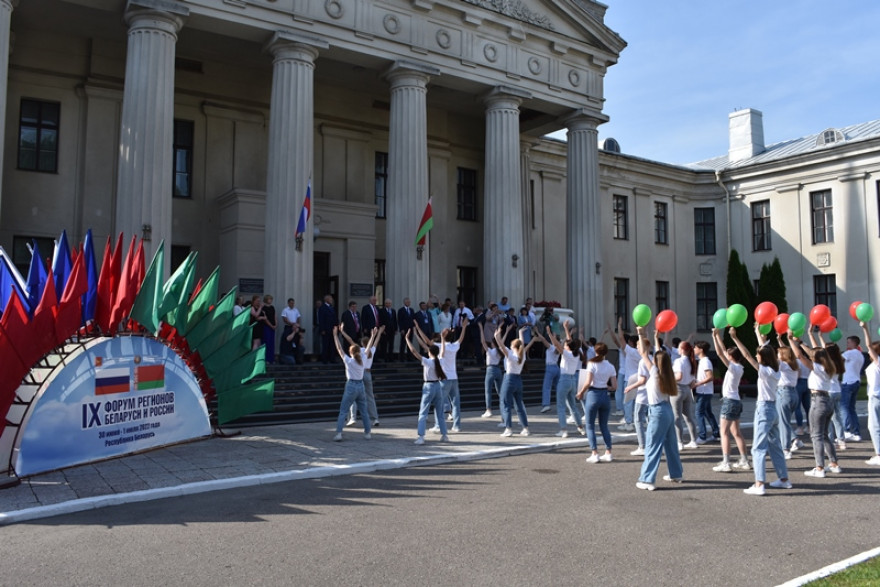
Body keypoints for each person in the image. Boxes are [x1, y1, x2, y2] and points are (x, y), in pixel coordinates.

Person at [730, 324, 791, 496]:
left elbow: (747, 355)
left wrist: (735, 337)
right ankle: (784, 479)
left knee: (758, 448)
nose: (756, 356)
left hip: (764, 409)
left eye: (759, 355)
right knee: (775, 445)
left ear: (762, 358)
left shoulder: (764, 371)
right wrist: (757, 333)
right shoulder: (775, 369)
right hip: (772, 409)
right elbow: (764, 351)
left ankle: (759, 484)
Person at [634, 326, 683, 491]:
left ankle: (647, 480)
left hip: (657, 412)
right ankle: (676, 474)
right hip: (667, 410)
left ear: (656, 362)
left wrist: (641, 334)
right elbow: (657, 353)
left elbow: (643, 353)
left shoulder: (655, 372)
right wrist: (654, 337)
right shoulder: (667, 374)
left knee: (652, 446)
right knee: (671, 445)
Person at [788, 329, 842, 478]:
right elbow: (812, 353)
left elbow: (800, 355)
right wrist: (801, 342)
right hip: (827, 400)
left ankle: (819, 468)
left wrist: (791, 341)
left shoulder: (817, 368)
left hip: (818, 401)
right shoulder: (829, 366)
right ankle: (834, 463)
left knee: (816, 436)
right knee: (824, 435)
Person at [710, 327, 750, 472]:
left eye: (729, 354)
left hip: (729, 402)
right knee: (736, 432)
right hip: (736, 401)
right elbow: (724, 351)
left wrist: (715, 337)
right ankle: (744, 460)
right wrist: (717, 336)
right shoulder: (739, 367)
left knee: (724, 432)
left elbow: (720, 353)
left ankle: (726, 462)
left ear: (731, 356)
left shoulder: (733, 368)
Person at [404, 329, 449, 445]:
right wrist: (443, 338)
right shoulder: (440, 361)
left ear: (430, 352)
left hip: (428, 386)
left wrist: (407, 339)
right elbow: (443, 352)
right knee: (439, 412)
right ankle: (444, 435)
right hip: (438, 386)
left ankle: (421, 437)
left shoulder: (428, 362)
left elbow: (414, 351)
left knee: (423, 413)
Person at [576, 337, 618, 464]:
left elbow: (588, 382)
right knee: (604, 425)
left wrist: (580, 392)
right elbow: (615, 387)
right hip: (605, 395)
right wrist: (607, 386)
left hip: (593, 394)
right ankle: (608, 452)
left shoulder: (592, 363)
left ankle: (594, 453)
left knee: (590, 425)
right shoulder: (610, 366)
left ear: (596, 351)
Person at [494, 324, 539, 437]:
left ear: (513, 346)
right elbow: (522, 344)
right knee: (519, 404)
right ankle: (525, 428)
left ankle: (508, 428)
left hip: (509, 379)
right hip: (518, 379)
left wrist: (497, 337)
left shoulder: (511, 355)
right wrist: (520, 333)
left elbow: (501, 347)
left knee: (506, 404)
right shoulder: (521, 355)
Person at [330, 326, 372, 442]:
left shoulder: (349, 361)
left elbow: (339, 349)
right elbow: (368, 348)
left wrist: (335, 335)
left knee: (343, 410)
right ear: (359, 351)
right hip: (361, 385)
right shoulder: (363, 359)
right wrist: (372, 336)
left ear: (351, 352)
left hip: (351, 385)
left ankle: (339, 433)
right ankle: (368, 432)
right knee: (364, 411)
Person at [544, 326, 585, 438]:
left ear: (568, 347)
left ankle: (563, 429)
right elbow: (567, 343)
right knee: (573, 405)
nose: (563, 345)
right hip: (572, 380)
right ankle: (580, 427)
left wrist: (549, 334)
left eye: (565, 345)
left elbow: (556, 344)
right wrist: (567, 330)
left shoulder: (567, 354)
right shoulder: (577, 354)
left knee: (561, 405)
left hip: (565, 379)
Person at [340, 326, 384, 429]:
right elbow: (376, 341)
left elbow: (350, 340)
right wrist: (379, 333)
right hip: (368, 373)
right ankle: (375, 418)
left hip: (359, 374)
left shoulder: (360, 350)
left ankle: (353, 418)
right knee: (370, 396)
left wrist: (342, 332)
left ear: (362, 344)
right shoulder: (371, 350)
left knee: (354, 396)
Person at [858, 320, 880, 466]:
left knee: (874, 426)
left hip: (876, 396)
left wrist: (865, 328)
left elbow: (867, 345)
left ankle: (878, 454)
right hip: (875, 396)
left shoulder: (878, 361)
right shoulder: (875, 363)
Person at [671, 340, 699, 449]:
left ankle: (679, 442)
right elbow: (693, 381)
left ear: (682, 350)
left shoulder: (679, 361)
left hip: (678, 389)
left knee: (676, 417)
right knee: (688, 417)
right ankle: (693, 440)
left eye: (679, 348)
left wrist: (668, 380)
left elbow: (679, 376)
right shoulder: (691, 361)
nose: (677, 349)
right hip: (687, 389)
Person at [480, 323, 510, 419]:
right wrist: (507, 331)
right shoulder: (500, 351)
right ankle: (504, 409)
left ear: (493, 343)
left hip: (490, 369)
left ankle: (488, 409)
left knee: (488, 390)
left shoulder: (489, 351)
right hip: (498, 369)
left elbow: (483, 341)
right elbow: (502, 341)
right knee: (500, 391)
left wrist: (481, 328)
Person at [692, 340, 720, 443]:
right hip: (705, 391)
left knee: (698, 413)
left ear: (701, 350)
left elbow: (710, 377)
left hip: (704, 392)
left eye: (695, 348)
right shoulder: (703, 361)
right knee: (708, 413)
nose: (694, 349)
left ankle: (702, 436)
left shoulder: (705, 361)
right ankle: (716, 433)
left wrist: (697, 384)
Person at [776, 345, 801, 458]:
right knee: (784, 421)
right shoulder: (795, 364)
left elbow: (769, 358)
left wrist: (761, 338)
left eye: (779, 353)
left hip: (784, 393)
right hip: (793, 393)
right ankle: (795, 439)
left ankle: (785, 449)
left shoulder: (783, 364)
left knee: (783, 422)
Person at [841, 334, 865, 441]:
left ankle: (846, 430)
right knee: (851, 408)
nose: (847, 344)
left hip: (848, 382)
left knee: (844, 407)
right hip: (856, 381)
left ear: (854, 343)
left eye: (849, 342)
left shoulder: (849, 353)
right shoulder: (860, 354)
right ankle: (856, 432)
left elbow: (838, 360)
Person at [538, 324, 561, 414]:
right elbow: (554, 341)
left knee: (547, 387)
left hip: (550, 368)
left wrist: (537, 332)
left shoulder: (551, 347)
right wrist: (553, 335)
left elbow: (543, 340)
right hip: (557, 367)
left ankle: (546, 404)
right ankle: (561, 403)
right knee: (558, 387)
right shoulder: (558, 348)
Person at [317, 295, 338, 364]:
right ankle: (324, 359)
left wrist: (336, 326)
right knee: (325, 344)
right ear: (326, 300)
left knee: (332, 345)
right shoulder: (322, 308)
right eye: (330, 299)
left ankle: (332, 358)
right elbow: (321, 319)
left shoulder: (331, 307)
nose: (332, 300)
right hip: (326, 329)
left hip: (332, 329)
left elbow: (334, 318)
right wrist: (322, 329)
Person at [261, 294, 277, 364]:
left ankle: (271, 359)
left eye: (271, 299)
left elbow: (275, 316)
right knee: (267, 342)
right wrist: (271, 325)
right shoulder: (263, 308)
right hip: (267, 326)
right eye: (269, 299)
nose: (270, 300)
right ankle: (266, 359)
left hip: (273, 327)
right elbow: (265, 319)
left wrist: (276, 324)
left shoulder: (272, 307)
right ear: (266, 300)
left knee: (272, 343)